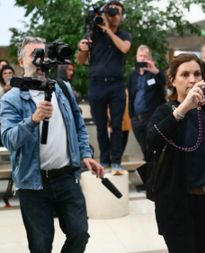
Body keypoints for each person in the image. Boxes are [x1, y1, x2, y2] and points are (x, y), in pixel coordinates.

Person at [0, 36, 104, 253]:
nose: (40, 60)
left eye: (43, 54)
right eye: (33, 55)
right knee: (40, 246)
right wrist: (33, 120)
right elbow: (9, 138)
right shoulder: (11, 100)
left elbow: (78, 126)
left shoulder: (62, 89)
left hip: (66, 178)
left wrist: (85, 153)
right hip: (33, 185)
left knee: (79, 234)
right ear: (21, 62)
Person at [146, 54, 205, 253]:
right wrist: (183, 108)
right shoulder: (166, 111)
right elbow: (151, 141)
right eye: (184, 74)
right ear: (173, 81)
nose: (192, 80)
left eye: (197, 74)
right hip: (179, 204)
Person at [76, 0, 131, 173]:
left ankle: (116, 160)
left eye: (118, 13)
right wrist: (83, 48)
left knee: (116, 125)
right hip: (97, 84)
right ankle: (105, 160)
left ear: (122, 16)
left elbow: (124, 49)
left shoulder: (124, 35)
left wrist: (107, 29)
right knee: (100, 125)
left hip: (116, 84)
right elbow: (81, 60)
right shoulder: (93, 34)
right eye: (111, 12)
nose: (115, 15)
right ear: (105, 13)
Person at [128, 44, 166, 157]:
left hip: (152, 117)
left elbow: (165, 84)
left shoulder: (154, 74)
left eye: (145, 56)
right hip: (137, 119)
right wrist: (132, 117)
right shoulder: (133, 75)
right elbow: (130, 96)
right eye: (140, 56)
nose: (142, 58)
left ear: (149, 58)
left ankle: (153, 172)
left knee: (153, 148)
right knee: (145, 149)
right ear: (136, 57)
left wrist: (156, 71)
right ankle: (150, 170)